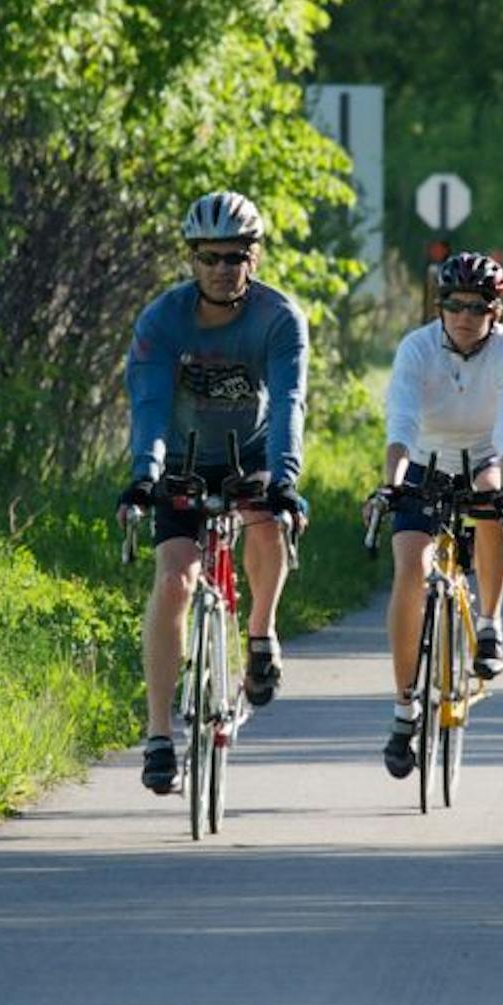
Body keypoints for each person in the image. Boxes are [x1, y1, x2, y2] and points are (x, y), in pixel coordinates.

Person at [116, 190, 310, 795]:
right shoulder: (162, 320)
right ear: (192, 259)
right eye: (210, 256)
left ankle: (260, 632)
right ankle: (159, 735)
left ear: (255, 257)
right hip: (180, 460)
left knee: (267, 523)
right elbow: (149, 405)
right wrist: (144, 476)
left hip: (249, 455)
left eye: (235, 255)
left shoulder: (279, 319)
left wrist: (285, 478)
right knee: (175, 580)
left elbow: (288, 403)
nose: (223, 268)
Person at [363, 252, 503, 780]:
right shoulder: (416, 348)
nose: (464, 316)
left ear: (495, 312)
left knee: (491, 499)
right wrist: (393, 484)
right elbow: (401, 423)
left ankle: (489, 622)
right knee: (410, 567)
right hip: (425, 460)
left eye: (477, 307)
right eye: (454, 305)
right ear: (440, 306)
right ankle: (404, 707)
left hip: (486, 456)